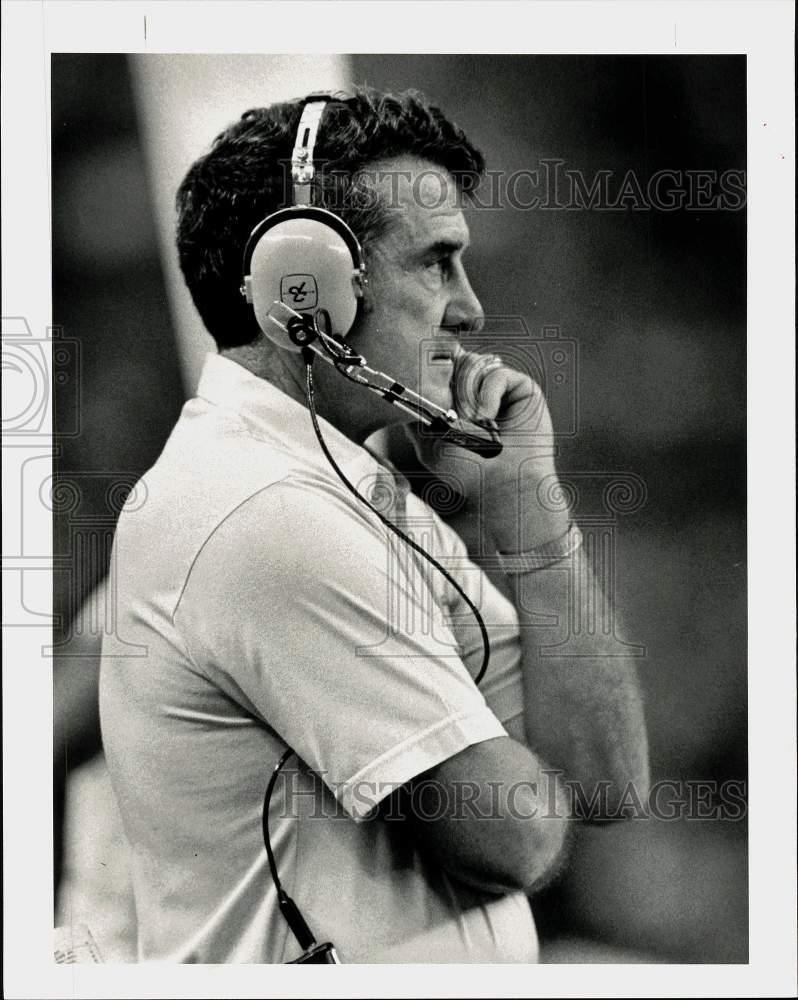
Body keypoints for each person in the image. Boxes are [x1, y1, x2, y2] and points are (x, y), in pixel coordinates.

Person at [99, 87, 649, 963]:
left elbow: (604, 782)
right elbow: (519, 838)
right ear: (303, 289)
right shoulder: (267, 514)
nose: (469, 309)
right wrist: (519, 774)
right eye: (436, 263)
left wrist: (531, 516)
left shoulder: (349, 485)